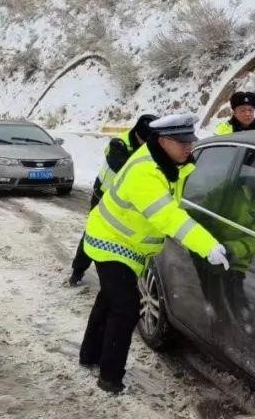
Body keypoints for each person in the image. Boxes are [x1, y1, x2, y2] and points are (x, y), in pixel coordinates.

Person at [79, 114, 228, 394]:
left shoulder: (172, 162)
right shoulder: (144, 172)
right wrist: (206, 244)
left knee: (109, 300)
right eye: (182, 142)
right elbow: (168, 216)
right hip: (110, 240)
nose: (189, 147)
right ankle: (110, 379)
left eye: (191, 140)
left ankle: (89, 355)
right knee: (124, 308)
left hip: (128, 244)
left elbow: (200, 182)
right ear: (163, 141)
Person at [67, 114, 157, 286]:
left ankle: (121, 275)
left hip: (127, 201)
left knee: (125, 237)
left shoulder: (149, 147)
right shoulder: (119, 144)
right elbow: (121, 166)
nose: (147, 144)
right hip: (103, 196)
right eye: (145, 140)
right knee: (93, 233)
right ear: (138, 134)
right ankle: (78, 270)